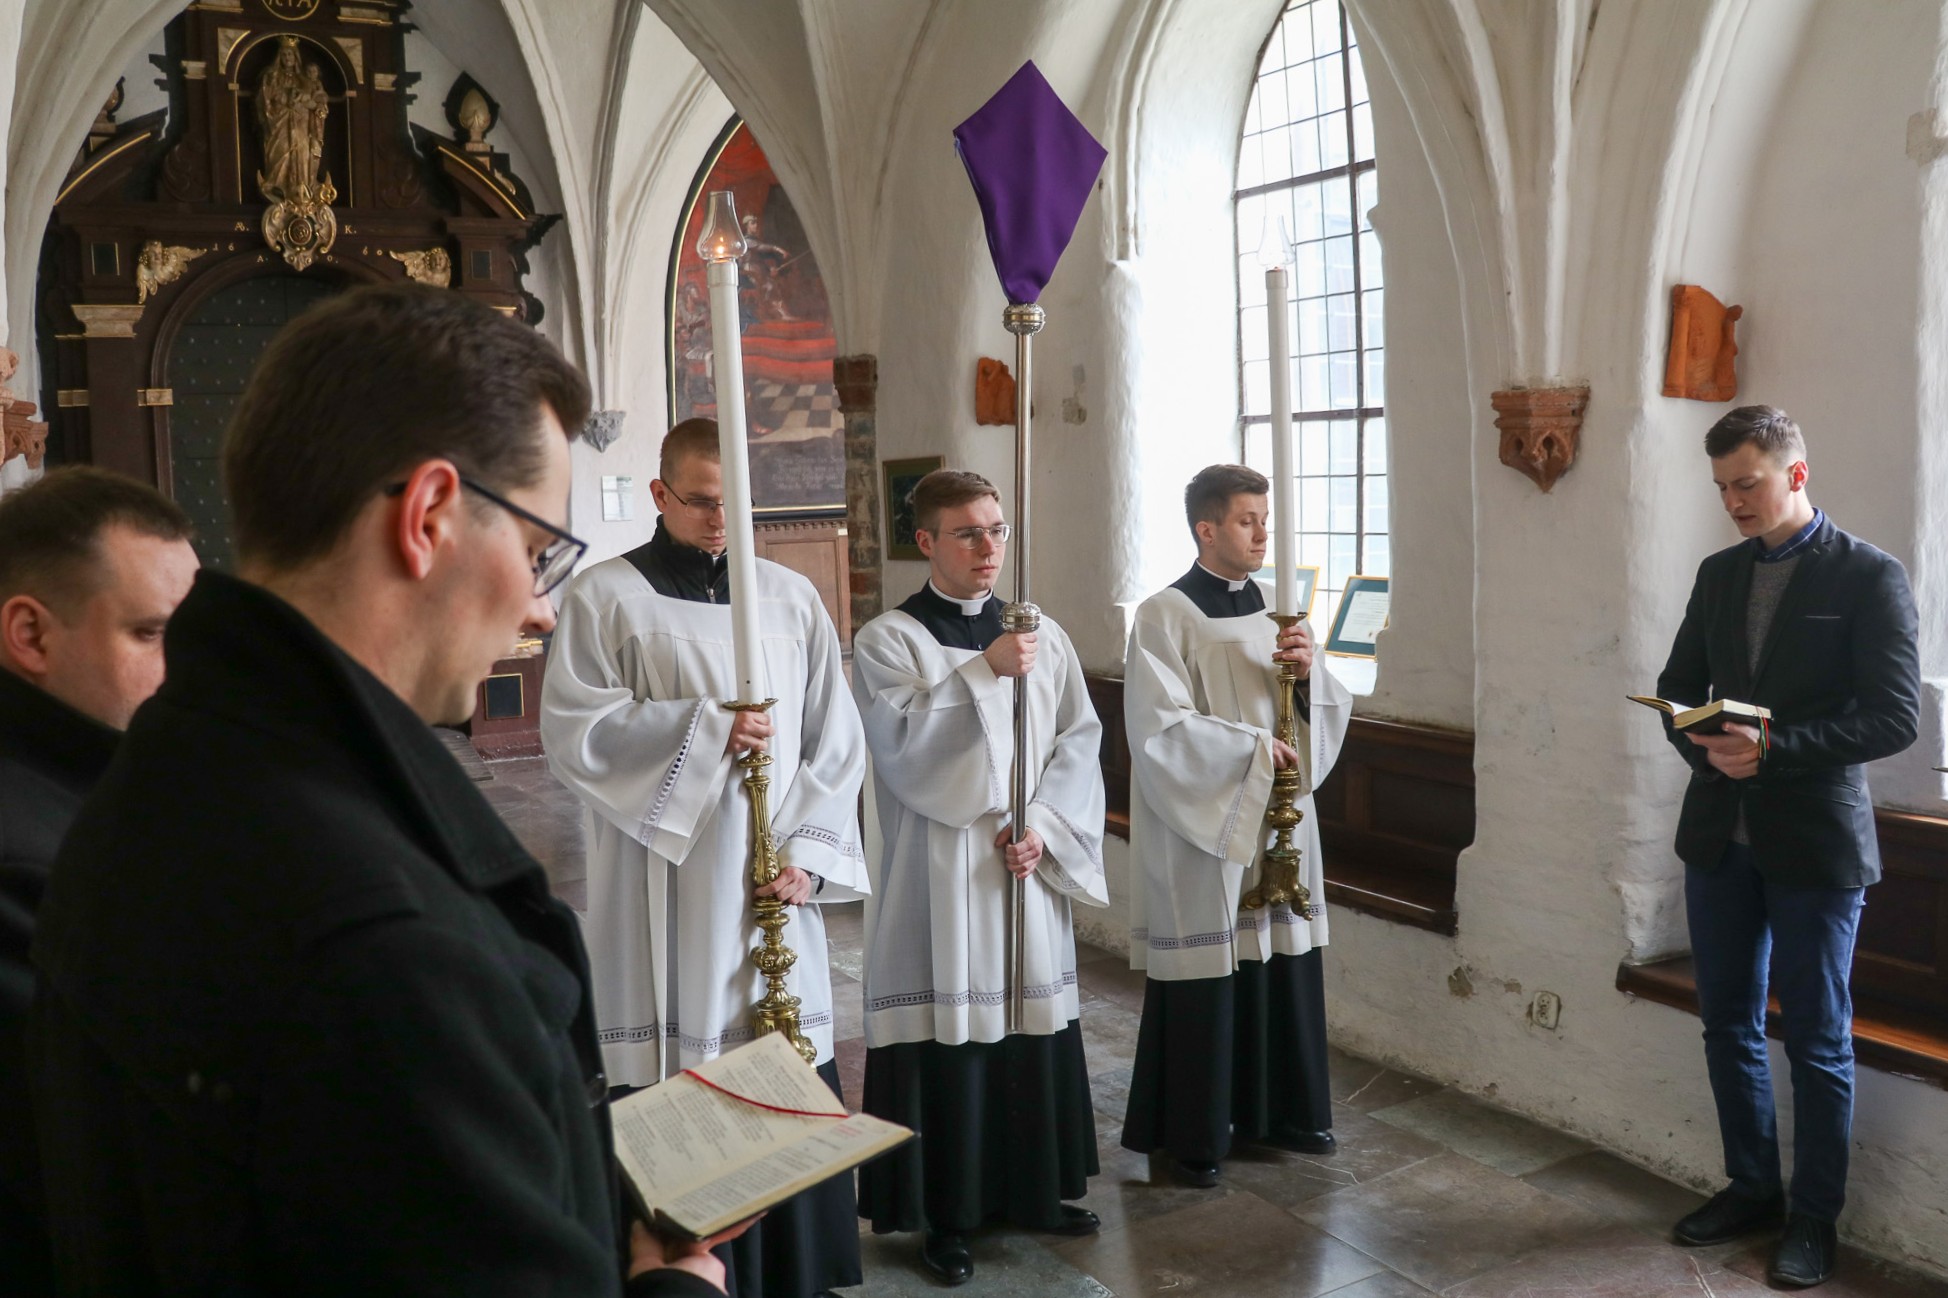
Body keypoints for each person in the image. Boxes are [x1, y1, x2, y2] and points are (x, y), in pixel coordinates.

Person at [30, 285, 727, 1297]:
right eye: (537, 552)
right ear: (428, 515)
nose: (540, 611)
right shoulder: (382, 939)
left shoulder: (166, 772)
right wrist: (678, 1289)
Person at [541, 417, 867, 1298]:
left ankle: (792, 1273)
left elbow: (836, 742)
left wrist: (810, 857)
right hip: (665, 886)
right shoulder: (606, 597)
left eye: (737, 503)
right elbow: (574, 730)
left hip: (772, 895)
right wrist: (704, 729)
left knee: (781, 1057)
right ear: (660, 494)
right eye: (701, 501)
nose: (722, 519)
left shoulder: (790, 599)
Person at [1656, 405, 1919, 1289]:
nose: (1733, 502)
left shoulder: (1869, 575)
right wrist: (1700, 742)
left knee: (1817, 1038)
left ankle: (1813, 1220)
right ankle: (1751, 1187)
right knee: (1727, 1023)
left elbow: (1894, 718)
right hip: (1718, 838)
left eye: (1748, 484)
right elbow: (1677, 688)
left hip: (1815, 843)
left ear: (1796, 474)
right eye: (1722, 488)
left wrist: (1774, 749)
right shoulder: (1718, 574)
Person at [851, 468, 1107, 1285]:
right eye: (967, 533)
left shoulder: (1043, 633)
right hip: (942, 875)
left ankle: (1033, 1192)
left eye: (997, 530)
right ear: (926, 541)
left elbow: (1078, 738)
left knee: (1029, 1026)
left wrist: (1045, 828)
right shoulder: (890, 639)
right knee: (949, 1037)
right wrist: (983, 672)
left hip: (1020, 865)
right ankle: (947, 1215)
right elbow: (902, 750)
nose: (988, 548)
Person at [1120, 464, 1351, 1189]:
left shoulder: (1278, 613)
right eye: (1247, 521)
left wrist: (1309, 675)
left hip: (1282, 818)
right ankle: (1195, 1134)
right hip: (1208, 825)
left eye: (1265, 521)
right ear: (1207, 529)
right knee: (1210, 969)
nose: (1262, 535)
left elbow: (1325, 706)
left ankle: (1286, 1115)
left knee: (1281, 958)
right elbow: (1158, 728)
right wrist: (1252, 751)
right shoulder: (1164, 615)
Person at [0, 468, 196, 1293]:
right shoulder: (29, 868)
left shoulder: (114, 788)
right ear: (31, 635)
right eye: (149, 634)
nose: (186, 671)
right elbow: (117, 1167)